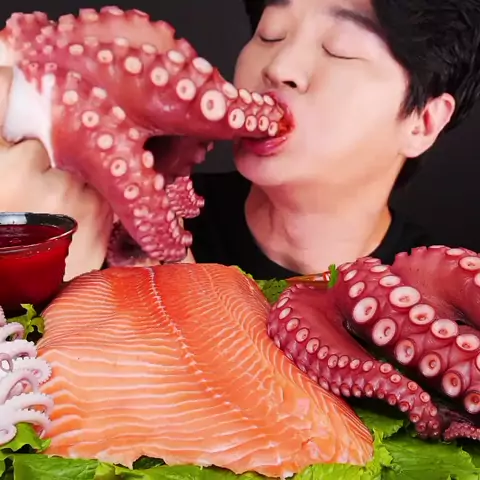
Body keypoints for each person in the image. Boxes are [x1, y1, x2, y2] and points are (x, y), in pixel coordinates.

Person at [1, 0, 480, 281]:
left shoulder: (440, 296)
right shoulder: (97, 223)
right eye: (271, 34)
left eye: (340, 50)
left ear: (423, 122)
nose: (279, 68)